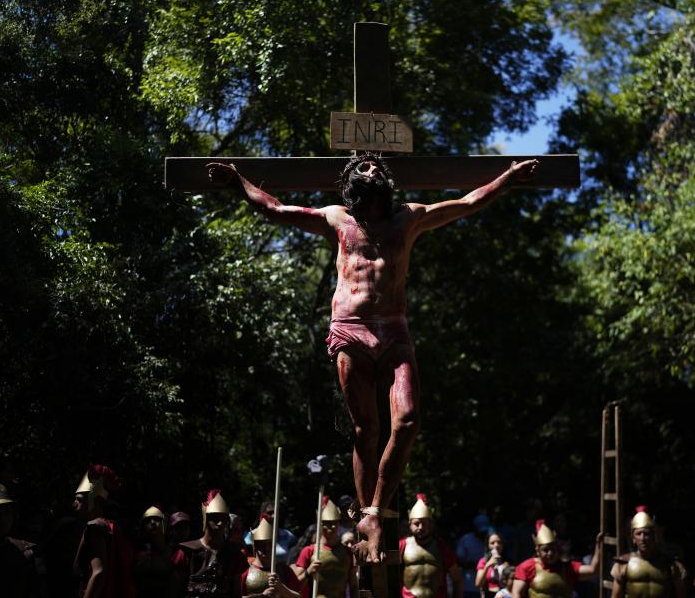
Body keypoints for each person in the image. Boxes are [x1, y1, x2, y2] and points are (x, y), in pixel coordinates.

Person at [209, 155, 540, 564]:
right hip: (350, 328)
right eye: (362, 169)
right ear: (349, 182)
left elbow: (468, 202)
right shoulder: (336, 219)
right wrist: (238, 180)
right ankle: (370, 517)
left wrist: (507, 177)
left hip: (394, 331)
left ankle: (372, 512)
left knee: (408, 421)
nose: (372, 171)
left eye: (376, 167)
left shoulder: (410, 218)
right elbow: (276, 209)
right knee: (366, 429)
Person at [72, 464, 136, 598]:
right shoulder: (109, 526)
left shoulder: (95, 527)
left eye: (79, 500)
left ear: (95, 501)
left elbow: (98, 573)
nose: (74, 504)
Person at [177, 489, 248, 598]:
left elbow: (236, 593)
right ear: (206, 518)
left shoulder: (235, 555)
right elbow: (176, 590)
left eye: (223, 519)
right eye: (215, 518)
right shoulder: (187, 552)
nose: (219, 523)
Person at [511, 519, 602, 598]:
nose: (550, 553)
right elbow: (516, 593)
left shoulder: (568, 567)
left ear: (558, 548)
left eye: (553, 549)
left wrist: (599, 546)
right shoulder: (526, 567)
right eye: (545, 550)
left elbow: (593, 571)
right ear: (538, 551)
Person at [609, 506, 686, 598]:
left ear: (654, 536)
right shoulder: (622, 565)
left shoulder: (670, 565)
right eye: (638, 534)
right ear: (633, 538)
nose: (642, 538)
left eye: (647, 533)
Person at [399, 494, 463, 598]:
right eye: (416, 523)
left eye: (424, 523)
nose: (420, 527)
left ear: (431, 524)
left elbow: (457, 578)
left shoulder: (441, 546)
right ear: (410, 524)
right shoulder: (402, 545)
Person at [292, 498, 355, 598]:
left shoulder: (347, 552)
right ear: (321, 524)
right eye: (328, 523)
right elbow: (295, 586)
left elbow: (353, 586)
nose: (333, 527)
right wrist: (308, 572)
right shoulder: (309, 551)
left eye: (335, 522)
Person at [244, 515, 301, 598]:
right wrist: (261, 596)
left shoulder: (284, 570)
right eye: (262, 544)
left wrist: (281, 587)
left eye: (270, 544)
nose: (266, 548)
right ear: (255, 546)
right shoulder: (246, 571)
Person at [133, 506, 181, 598]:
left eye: (157, 519)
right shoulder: (137, 554)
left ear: (164, 524)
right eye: (148, 520)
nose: (152, 523)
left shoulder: (176, 552)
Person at [457, 514, 493, 598]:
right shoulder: (466, 539)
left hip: (487, 587)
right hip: (469, 586)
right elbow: (459, 560)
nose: (482, 534)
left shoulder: (491, 539)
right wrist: (479, 566)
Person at [476, 533, 511, 598]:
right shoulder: (483, 561)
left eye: (499, 542)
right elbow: (478, 584)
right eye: (492, 543)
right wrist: (487, 565)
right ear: (488, 546)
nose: (496, 545)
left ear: (503, 545)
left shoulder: (509, 562)